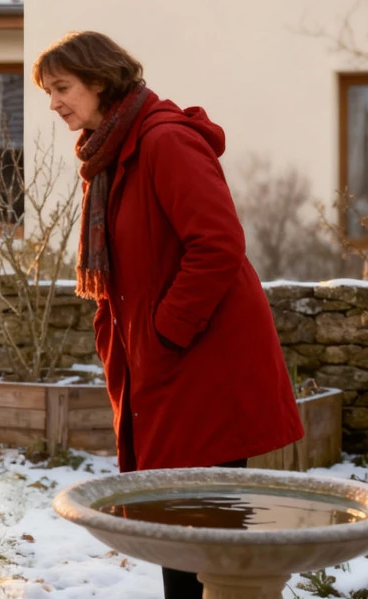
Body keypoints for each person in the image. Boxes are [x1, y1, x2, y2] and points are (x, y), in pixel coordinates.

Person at [33, 31, 304, 599]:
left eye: (62, 88)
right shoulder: (113, 152)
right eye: (49, 91)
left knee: (199, 533)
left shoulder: (164, 142)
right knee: (174, 524)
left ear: (100, 82)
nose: (54, 102)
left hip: (204, 367)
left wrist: (164, 332)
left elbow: (218, 244)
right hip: (167, 370)